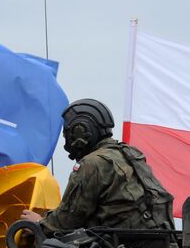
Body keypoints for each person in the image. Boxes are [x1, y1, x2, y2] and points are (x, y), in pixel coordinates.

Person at [21, 98, 175, 236]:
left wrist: (39, 223)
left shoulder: (93, 163)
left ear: (80, 132)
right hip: (155, 238)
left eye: (68, 134)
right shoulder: (128, 153)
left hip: (123, 244)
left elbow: (67, 221)